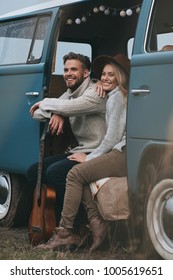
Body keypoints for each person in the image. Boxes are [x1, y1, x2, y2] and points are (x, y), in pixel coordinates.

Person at [38, 53, 130, 252]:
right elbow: (44, 110)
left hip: (120, 151)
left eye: (110, 75)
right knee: (78, 174)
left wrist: (90, 157)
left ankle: (68, 231)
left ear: (120, 77)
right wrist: (58, 112)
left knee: (75, 173)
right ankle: (95, 226)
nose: (104, 78)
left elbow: (113, 139)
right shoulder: (111, 94)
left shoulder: (115, 97)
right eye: (103, 74)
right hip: (113, 150)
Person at [27, 52, 107, 223]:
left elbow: (73, 106)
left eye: (73, 69)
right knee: (34, 172)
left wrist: (54, 106)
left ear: (86, 73)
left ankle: (80, 225)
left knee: (54, 172)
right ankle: (53, 220)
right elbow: (36, 114)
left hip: (99, 152)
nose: (68, 73)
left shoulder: (96, 93)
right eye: (65, 70)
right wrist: (59, 112)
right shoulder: (70, 93)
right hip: (80, 151)